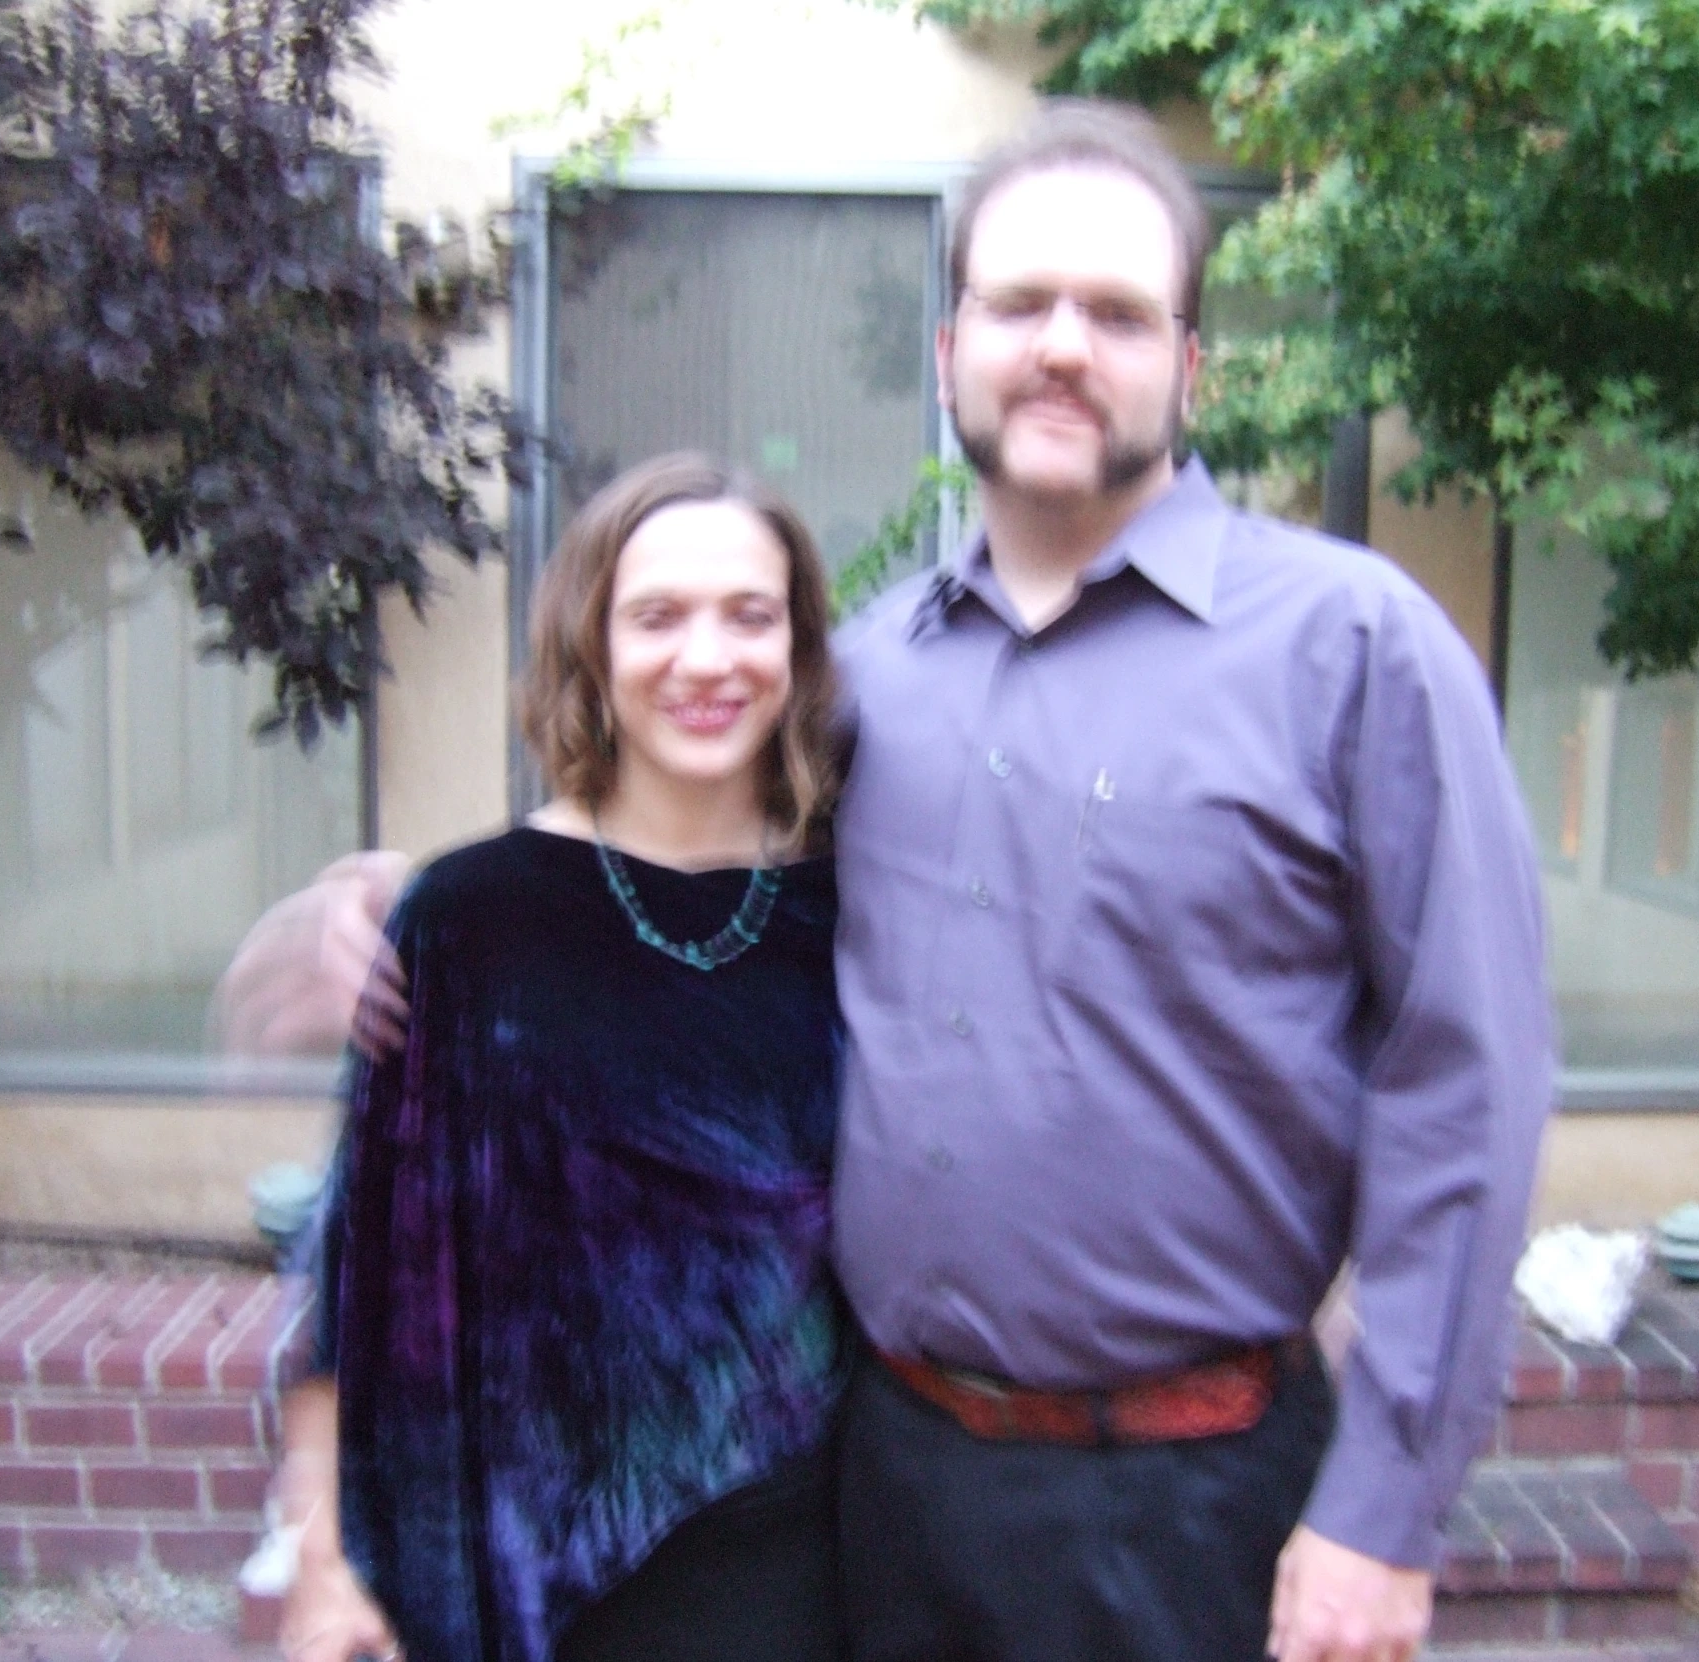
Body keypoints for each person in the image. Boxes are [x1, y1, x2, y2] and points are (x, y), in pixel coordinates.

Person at [824, 102, 1553, 1662]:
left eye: (1119, 312)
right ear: (951, 347)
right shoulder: (862, 674)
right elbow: (684, 910)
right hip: (883, 1484)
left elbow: (1464, 1086)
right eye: (1021, 305)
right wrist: (417, 917)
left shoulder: (1354, 650)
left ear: (1193, 367)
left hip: (1194, 1514)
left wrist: (1383, 1509)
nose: (1064, 347)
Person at [273, 453, 850, 1662]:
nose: (705, 659)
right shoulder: (469, 922)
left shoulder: (854, 904)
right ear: (590, 643)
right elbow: (356, 1286)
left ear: (796, 647)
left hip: (810, 1556)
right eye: (656, 617)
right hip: (531, 1578)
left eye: (749, 615)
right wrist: (323, 1566)